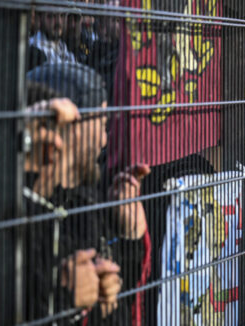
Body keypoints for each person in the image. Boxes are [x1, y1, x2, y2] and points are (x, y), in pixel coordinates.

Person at [25, 63, 149, 325]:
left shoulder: (83, 204)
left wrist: (128, 238)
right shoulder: (18, 214)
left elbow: (115, 312)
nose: (104, 142)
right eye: (102, 122)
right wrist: (61, 299)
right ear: (71, 124)